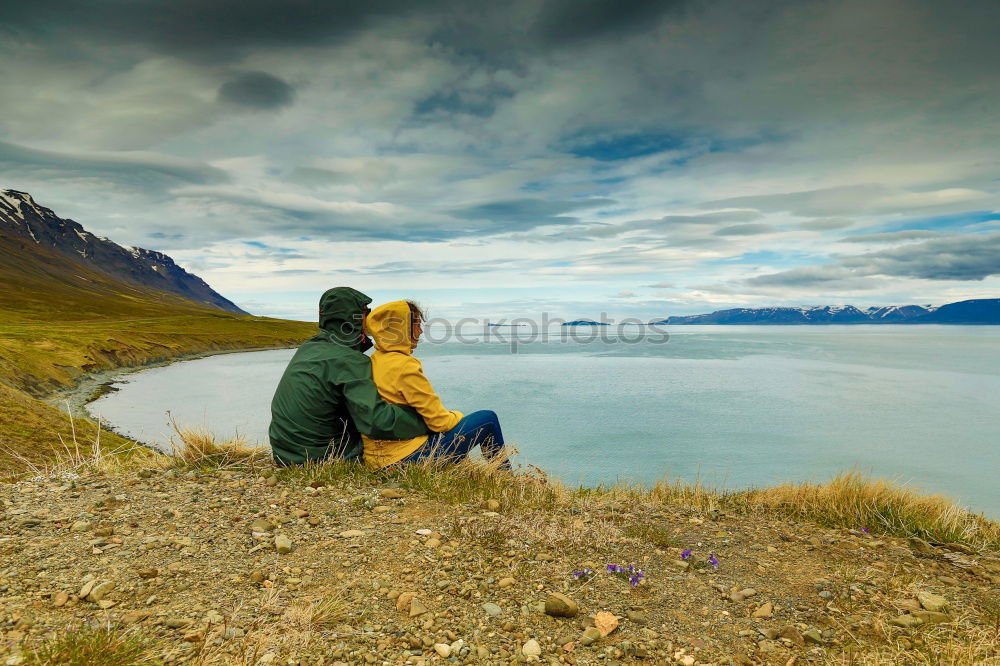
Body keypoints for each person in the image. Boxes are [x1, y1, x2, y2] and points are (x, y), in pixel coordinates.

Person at [268, 287, 429, 466]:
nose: (371, 317)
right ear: (354, 317)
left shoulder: (309, 348)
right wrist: (426, 418)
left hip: (285, 454)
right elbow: (377, 422)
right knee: (452, 428)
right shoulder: (350, 360)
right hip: (321, 458)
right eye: (366, 311)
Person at [362, 299, 510, 469]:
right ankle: (506, 478)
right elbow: (439, 422)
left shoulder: (374, 360)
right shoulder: (404, 365)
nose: (421, 330)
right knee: (487, 418)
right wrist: (458, 416)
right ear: (401, 328)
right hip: (406, 460)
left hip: (377, 459)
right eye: (417, 324)